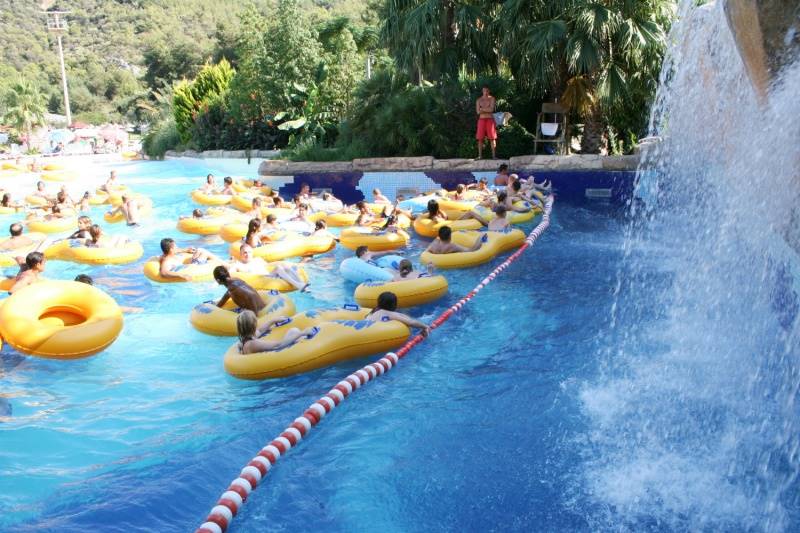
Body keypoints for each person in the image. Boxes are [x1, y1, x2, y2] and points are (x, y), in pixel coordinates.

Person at [228, 244, 309, 292]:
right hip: (260, 280)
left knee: (285, 265)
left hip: (269, 276)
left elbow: (269, 266)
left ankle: (301, 283)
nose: (247, 254)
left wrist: (281, 262)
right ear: (241, 254)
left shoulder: (257, 259)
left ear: (252, 253)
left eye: (249, 252)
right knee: (278, 268)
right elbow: (230, 274)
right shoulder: (239, 265)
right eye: (245, 252)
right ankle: (299, 285)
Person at [236, 309, 317, 355]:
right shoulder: (252, 344)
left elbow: (260, 330)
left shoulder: (245, 340)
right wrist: (303, 332)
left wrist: (273, 320)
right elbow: (279, 346)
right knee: (295, 332)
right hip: (279, 355)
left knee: (293, 331)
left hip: (270, 354)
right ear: (253, 325)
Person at [476, 85, 497, 159]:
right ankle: (480, 156)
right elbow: (478, 112)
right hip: (481, 120)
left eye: (487, 90)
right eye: (484, 90)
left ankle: (494, 156)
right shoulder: (479, 100)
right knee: (480, 138)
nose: (485, 92)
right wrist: (486, 109)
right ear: (482, 91)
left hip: (490, 120)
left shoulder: (492, 98)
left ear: (489, 91)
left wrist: (482, 109)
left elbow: (491, 110)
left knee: (492, 138)